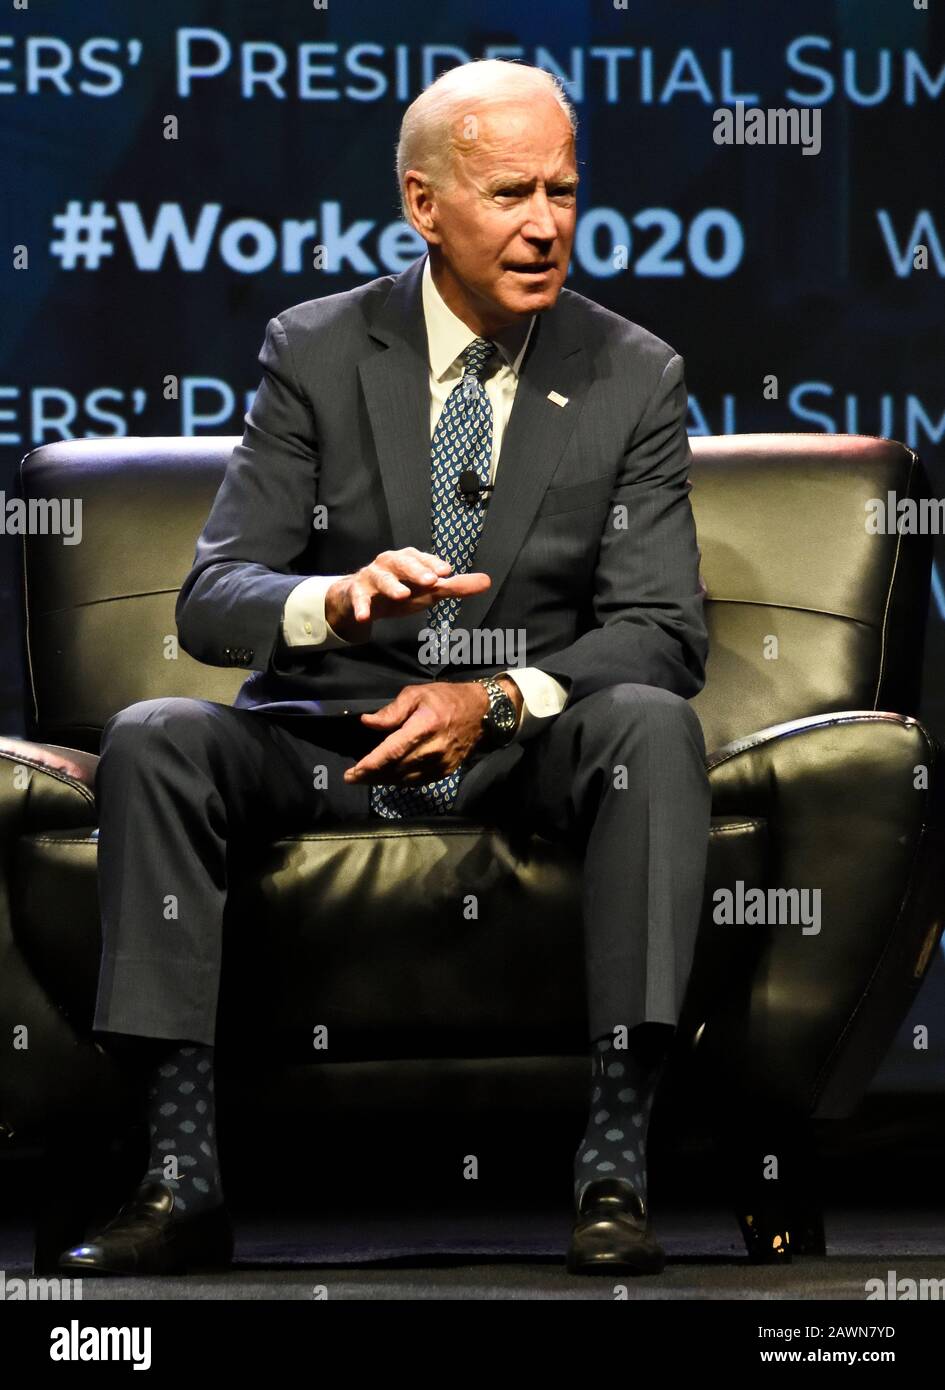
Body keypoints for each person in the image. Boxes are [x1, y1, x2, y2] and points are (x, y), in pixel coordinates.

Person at [58, 57, 711, 1279]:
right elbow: (215, 598)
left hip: (518, 751)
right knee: (153, 734)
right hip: (332, 741)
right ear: (424, 204)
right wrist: (333, 603)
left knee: (653, 729)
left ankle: (615, 1171)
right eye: (511, 192)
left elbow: (665, 627)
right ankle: (181, 1175)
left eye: (564, 192)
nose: (545, 224)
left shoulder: (633, 373)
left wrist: (499, 696)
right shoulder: (313, 350)